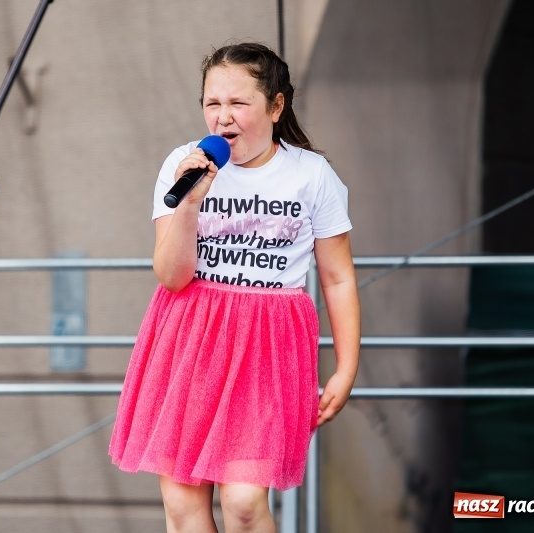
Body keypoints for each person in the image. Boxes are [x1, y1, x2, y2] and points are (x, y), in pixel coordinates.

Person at [109, 41, 361, 533]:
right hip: (191, 338)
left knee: (244, 503)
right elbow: (172, 275)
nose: (223, 117)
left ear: (275, 105)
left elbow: (337, 276)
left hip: (267, 344)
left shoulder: (311, 175)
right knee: (183, 507)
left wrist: (347, 367)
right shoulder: (184, 165)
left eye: (238, 103)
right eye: (212, 104)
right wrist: (188, 205)